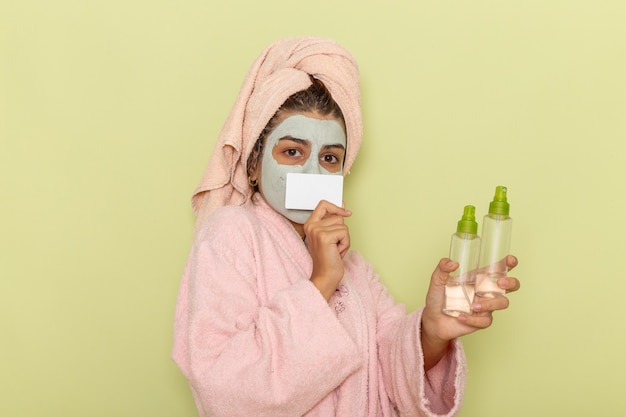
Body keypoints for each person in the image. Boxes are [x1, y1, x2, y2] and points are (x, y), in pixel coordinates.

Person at [172, 36, 520, 417]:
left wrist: (431, 332)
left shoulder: (351, 266)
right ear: (254, 164)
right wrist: (320, 282)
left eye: (329, 157)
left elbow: (389, 363)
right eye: (292, 152)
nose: (312, 171)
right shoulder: (231, 233)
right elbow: (222, 388)